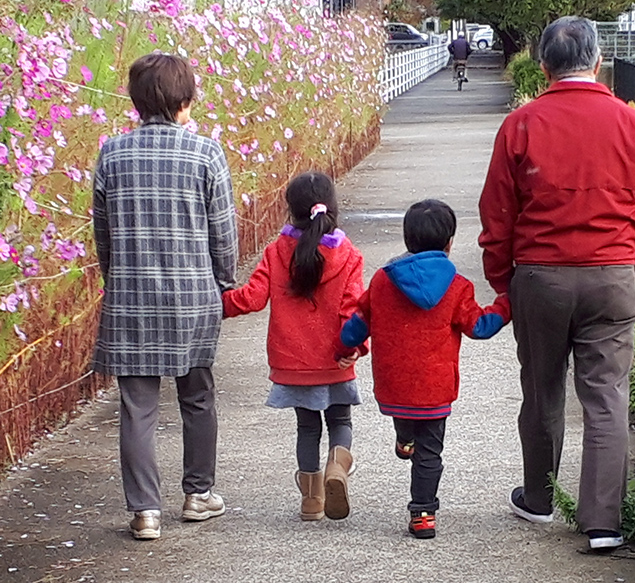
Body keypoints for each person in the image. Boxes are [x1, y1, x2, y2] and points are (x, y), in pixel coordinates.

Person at [478, 16, 635, 550]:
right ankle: (603, 522)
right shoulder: (632, 124)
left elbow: (497, 215)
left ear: (543, 66)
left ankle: (539, 501)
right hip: (611, 274)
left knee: (542, 389)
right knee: (606, 395)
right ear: (598, 61)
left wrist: (505, 282)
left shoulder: (521, 125)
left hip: (540, 277)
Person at [92, 52, 238, 541]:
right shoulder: (205, 153)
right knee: (197, 397)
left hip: (131, 298)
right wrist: (225, 282)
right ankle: (198, 495)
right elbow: (223, 232)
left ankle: (144, 511)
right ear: (185, 100)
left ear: (136, 101)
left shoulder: (112, 153)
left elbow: (103, 234)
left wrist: (117, 278)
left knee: (137, 407)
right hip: (192, 297)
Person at [337, 199, 511, 539]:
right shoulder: (458, 287)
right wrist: (507, 303)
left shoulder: (383, 282)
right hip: (435, 388)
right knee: (430, 453)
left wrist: (345, 348)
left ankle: (404, 438)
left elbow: (358, 324)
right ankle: (423, 515)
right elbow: (480, 327)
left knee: (406, 421)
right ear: (449, 242)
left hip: (394, 385)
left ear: (407, 240)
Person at [222, 172, 366, 522]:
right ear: (331, 207)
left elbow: (252, 299)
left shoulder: (276, 251)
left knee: (307, 427)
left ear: (291, 211)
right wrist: (354, 346)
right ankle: (337, 468)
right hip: (335, 358)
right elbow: (354, 308)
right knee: (340, 419)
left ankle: (311, 501)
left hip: (293, 361)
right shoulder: (347, 255)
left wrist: (214, 303)